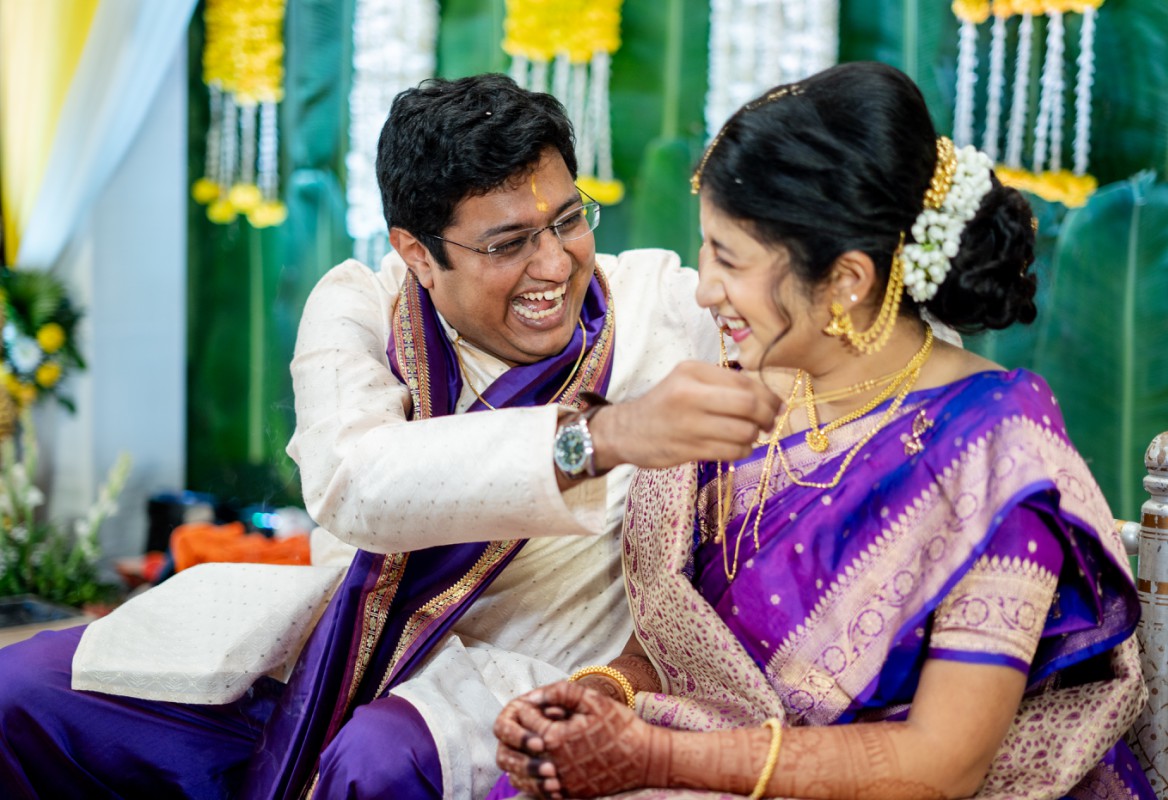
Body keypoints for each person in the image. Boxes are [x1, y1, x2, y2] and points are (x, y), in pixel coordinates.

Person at [0, 75, 780, 799]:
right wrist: (601, 438)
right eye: (507, 245)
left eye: (569, 221)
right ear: (418, 253)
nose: (555, 264)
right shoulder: (363, 313)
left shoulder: (662, 309)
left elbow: (802, 332)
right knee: (18, 694)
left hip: (524, 663)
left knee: (375, 760)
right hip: (336, 646)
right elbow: (358, 482)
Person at [491, 61, 1152, 800]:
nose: (705, 288)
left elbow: (944, 764)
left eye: (730, 260)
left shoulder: (994, 446)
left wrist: (653, 760)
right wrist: (600, 695)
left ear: (847, 281)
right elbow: (680, 646)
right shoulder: (734, 393)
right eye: (706, 248)